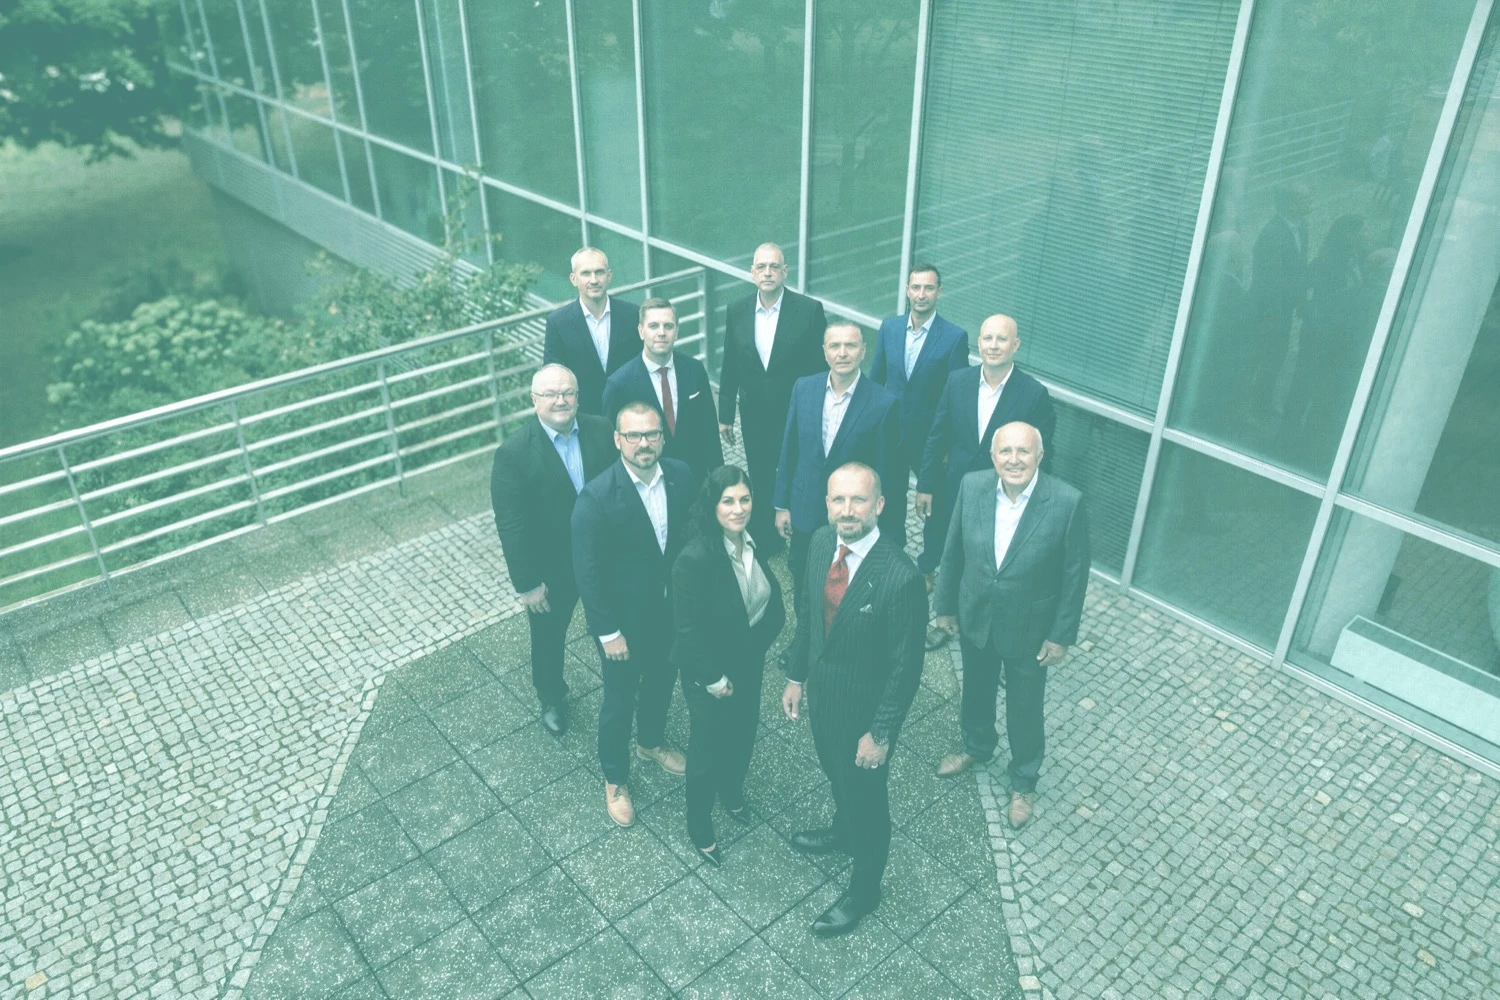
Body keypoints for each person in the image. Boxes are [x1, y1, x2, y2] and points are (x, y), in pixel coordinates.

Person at [781, 463, 926, 937]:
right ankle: (844, 834)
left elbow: (906, 669)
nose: (847, 510)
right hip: (823, 700)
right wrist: (797, 677)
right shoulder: (822, 542)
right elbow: (808, 615)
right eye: (838, 500)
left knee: (868, 805)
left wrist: (880, 734)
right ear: (827, 504)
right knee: (834, 774)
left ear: (880, 505)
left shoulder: (900, 577)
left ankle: (866, 890)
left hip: (864, 717)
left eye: (858, 500)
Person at [932, 422, 1090, 830]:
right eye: (1006, 452)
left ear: (1039, 456)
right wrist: (945, 606)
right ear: (993, 456)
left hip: (1031, 628)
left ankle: (1023, 780)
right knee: (977, 690)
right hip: (977, 615)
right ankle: (977, 746)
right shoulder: (972, 487)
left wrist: (1060, 636)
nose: (1014, 460)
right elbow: (952, 551)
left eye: (1024, 451)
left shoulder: (1066, 503)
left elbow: (1075, 577)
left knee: (1025, 708)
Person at [572, 402, 694, 826]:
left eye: (652, 434)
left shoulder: (680, 475)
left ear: (662, 436)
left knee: (663, 682)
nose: (644, 443)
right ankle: (615, 777)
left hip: (668, 616)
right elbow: (587, 574)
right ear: (618, 440)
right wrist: (608, 633)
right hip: (622, 624)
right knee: (619, 702)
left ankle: (650, 743)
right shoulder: (597, 497)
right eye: (634, 436)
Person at [490, 364, 617, 735]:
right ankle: (551, 695)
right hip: (552, 567)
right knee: (548, 636)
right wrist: (527, 583)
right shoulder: (512, 453)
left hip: (603, 556)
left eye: (568, 392)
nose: (560, 400)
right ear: (534, 401)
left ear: (578, 396)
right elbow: (511, 524)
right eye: (551, 394)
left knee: (613, 622)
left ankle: (621, 683)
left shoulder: (603, 429)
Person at [670, 465, 786, 866]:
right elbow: (687, 631)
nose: (739, 509)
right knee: (707, 749)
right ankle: (699, 823)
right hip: (710, 673)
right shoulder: (697, 557)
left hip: (746, 662)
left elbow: (770, 607)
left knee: (743, 733)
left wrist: (755, 649)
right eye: (728, 501)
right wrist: (714, 680)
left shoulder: (751, 541)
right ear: (713, 505)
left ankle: (732, 791)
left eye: (745, 499)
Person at [774, 323, 899, 628]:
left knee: (845, 581)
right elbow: (789, 449)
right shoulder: (803, 388)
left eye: (851, 346)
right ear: (824, 352)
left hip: (850, 514)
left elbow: (887, 472)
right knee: (803, 576)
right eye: (835, 346)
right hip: (805, 506)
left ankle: (839, 635)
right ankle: (805, 635)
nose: (842, 353)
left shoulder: (883, 403)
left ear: (863, 352)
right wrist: (781, 505)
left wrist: (884, 525)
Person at [916, 314, 1055, 588]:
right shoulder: (957, 381)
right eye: (988, 338)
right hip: (951, 483)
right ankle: (927, 568)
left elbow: (1043, 452)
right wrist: (925, 484)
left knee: (981, 547)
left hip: (999, 491)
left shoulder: (1034, 393)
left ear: (1015, 345)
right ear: (979, 344)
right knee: (938, 531)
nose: (993, 345)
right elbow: (938, 436)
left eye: (1001, 339)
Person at [717, 242, 829, 551]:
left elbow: (821, 369)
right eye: (761, 267)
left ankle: (800, 539)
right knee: (761, 472)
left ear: (785, 271)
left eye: (774, 266)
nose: (768, 272)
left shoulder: (808, 311)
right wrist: (725, 413)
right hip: (754, 412)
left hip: (796, 412)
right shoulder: (736, 309)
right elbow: (731, 362)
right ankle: (766, 538)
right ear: (752, 272)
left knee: (798, 472)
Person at [868, 264, 969, 548]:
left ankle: (926, 566)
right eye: (916, 287)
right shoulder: (890, 327)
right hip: (892, 432)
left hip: (930, 438)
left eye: (928, 288)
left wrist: (948, 444)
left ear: (939, 292)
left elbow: (957, 397)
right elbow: (876, 380)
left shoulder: (954, 337)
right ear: (907, 290)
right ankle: (893, 556)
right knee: (890, 497)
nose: (921, 294)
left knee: (931, 505)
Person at [602, 297, 724, 488]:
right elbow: (612, 446)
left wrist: (719, 479)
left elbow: (709, 430)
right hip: (647, 484)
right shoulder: (619, 384)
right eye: (653, 326)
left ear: (677, 331)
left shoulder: (695, 370)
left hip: (695, 480)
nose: (661, 333)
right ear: (641, 331)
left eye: (668, 326)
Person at [543, 248, 641, 415]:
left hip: (629, 411)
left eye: (599, 272)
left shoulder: (632, 315)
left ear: (609, 276)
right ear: (573, 279)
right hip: (584, 416)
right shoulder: (558, 323)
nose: (594, 280)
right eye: (586, 273)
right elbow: (553, 374)